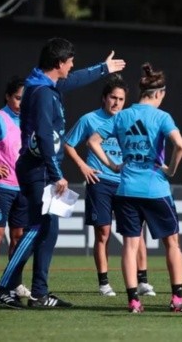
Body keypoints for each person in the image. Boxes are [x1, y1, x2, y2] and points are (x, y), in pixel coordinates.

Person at [0, 39, 126, 309]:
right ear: (58, 64)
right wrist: (55, 174)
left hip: (41, 168)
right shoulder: (41, 92)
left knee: (48, 229)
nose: (72, 65)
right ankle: (3, 287)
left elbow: (73, 80)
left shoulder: (44, 84)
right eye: (69, 61)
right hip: (38, 169)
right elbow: (42, 136)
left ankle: (40, 293)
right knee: (38, 227)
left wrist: (103, 68)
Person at [88, 63, 182, 314]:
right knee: (172, 243)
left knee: (130, 246)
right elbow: (180, 144)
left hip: (126, 189)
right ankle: (177, 299)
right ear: (159, 93)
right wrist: (171, 170)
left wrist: (112, 165)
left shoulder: (122, 116)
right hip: (155, 188)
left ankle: (133, 301)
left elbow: (93, 141)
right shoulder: (161, 117)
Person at [64, 74, 155, 297]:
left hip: (126, 183)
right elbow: (68, 144)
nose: (116, 103)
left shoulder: (127, 119)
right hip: (100, 182)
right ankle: (104, 283)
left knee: (135, 233)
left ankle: (142, 281)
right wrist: (83, 166)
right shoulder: (89, 119)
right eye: (113, 98)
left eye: (121, 99)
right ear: (104, 98)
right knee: (103, 233)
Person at [0, 77, 31, 300]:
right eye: (17, 98)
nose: (21, 103)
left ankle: (14, 282)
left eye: (24, 98)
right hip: (1, 188)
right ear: (7, 96)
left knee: (18, 238)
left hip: (23, 188)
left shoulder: (30, 120)